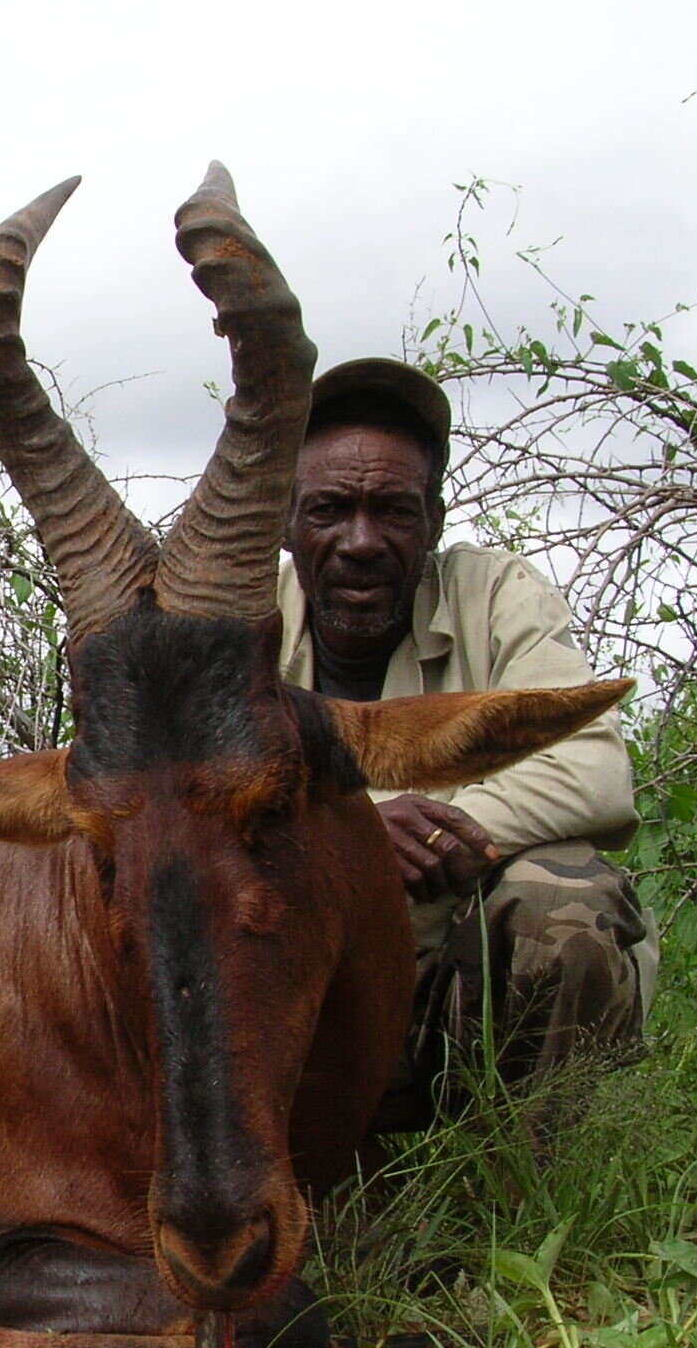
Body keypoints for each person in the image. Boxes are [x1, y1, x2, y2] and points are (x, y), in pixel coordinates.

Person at [277, 358, 656, 1126]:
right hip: (298, 985)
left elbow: (595, 772)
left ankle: (525, 1189)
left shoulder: (496, 595)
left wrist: (414, 833)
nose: (360, 540)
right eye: (329, 510)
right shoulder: (238, 619)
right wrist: (355, 841)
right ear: (285, 522)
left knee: (565, 899)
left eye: (393, 510)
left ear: (435, 521)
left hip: (454, 972)